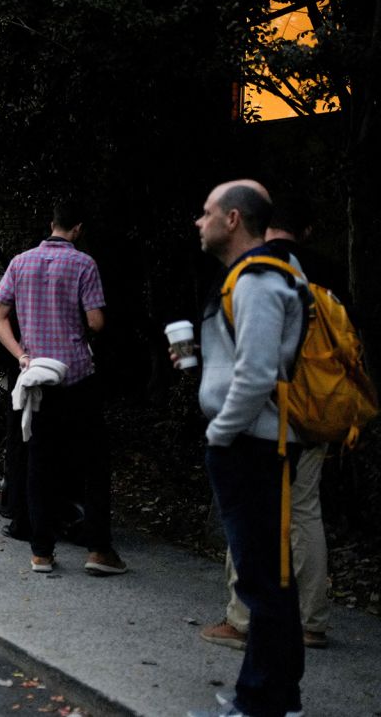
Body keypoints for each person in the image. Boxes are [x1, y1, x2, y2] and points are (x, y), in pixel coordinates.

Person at [184, 180, 306, 717]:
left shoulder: (258, 279)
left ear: (233, 219)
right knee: (266, 577)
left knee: (263, 581)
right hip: (251, 442)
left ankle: (263, 702)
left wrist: (219, 433)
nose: (199, 221)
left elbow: (257, 374)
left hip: (251, 445)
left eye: (207, 212)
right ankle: (278, 694)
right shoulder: (252, 276)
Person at [200, 198, 334, 653]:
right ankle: (313, 620)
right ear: (308, 230)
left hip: (270, 420)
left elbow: (252, 366)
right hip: (318, 409)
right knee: (305, 513)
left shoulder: (259, 273)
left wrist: (221, 430)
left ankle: (242, 619)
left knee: (252, 521)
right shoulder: (323, 272)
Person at [0, 201, 125, 577]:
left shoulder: (20, 262)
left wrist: (20, 354)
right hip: (77, 376)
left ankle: (41, 553)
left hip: (36, 376)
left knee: (38, 463)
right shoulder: (84, 264)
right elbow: (96, 321)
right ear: (77, 229)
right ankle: (98, 549)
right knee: (94, 463)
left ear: (51, 224)